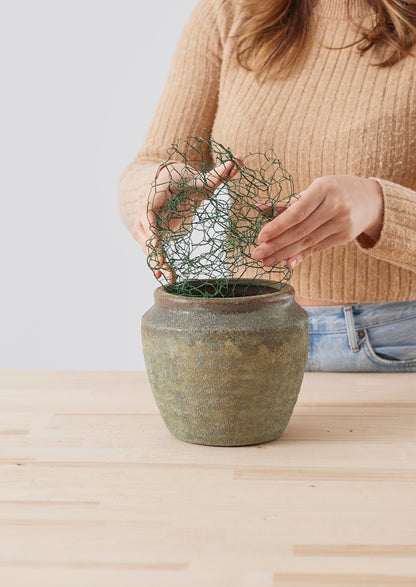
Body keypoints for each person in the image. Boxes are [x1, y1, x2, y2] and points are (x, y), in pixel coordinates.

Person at [118, 0, 416, 372]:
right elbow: (146, 166)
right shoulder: (230, 11)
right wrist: (157, 190)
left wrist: (380, 207)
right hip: (242, 338)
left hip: (396, 346)